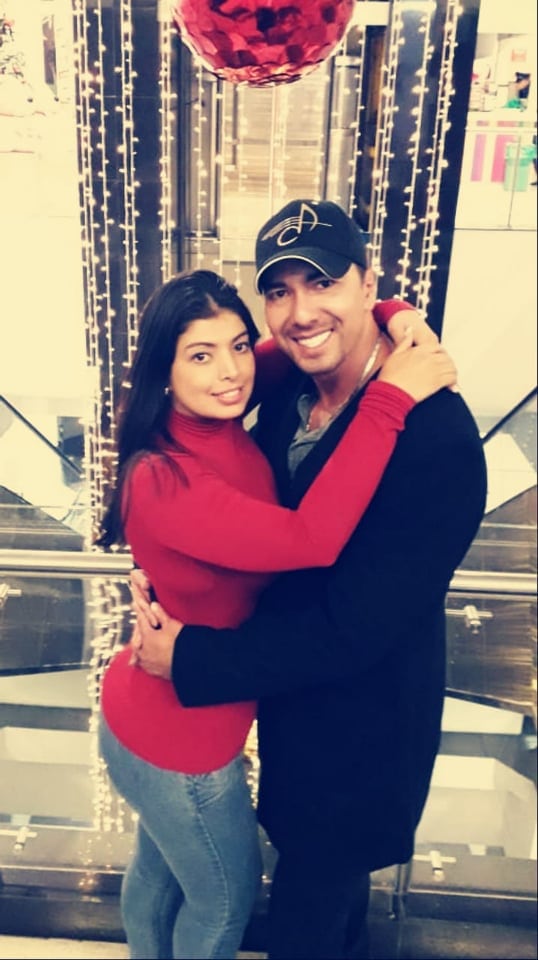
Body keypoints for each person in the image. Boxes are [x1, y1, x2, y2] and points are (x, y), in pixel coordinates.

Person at [132, 199, 488, 960]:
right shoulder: (288, 384)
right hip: (287, 715)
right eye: (279, 291)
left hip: (359, 742)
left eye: (323, 282)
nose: (299, 313)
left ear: (366, 282)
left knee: (305, 923)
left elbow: (353, 629)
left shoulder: (437, 439)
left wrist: (189, 657)